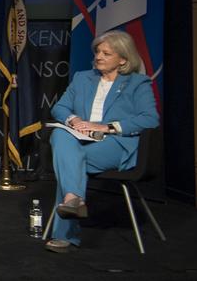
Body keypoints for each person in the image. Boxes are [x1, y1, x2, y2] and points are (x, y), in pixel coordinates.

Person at [44, 29, 158, 253]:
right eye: (98, 52)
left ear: (123, 59)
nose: (99, 57)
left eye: (107, 53)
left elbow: (150, 119)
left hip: (116, 143)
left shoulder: (138, 83)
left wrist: (107, 127)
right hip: (82, 139)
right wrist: (74, 119)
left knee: (71, 163)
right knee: (60, 135)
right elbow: (60, 107)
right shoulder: (83, 78)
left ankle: (66, 233)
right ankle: (73, 199)